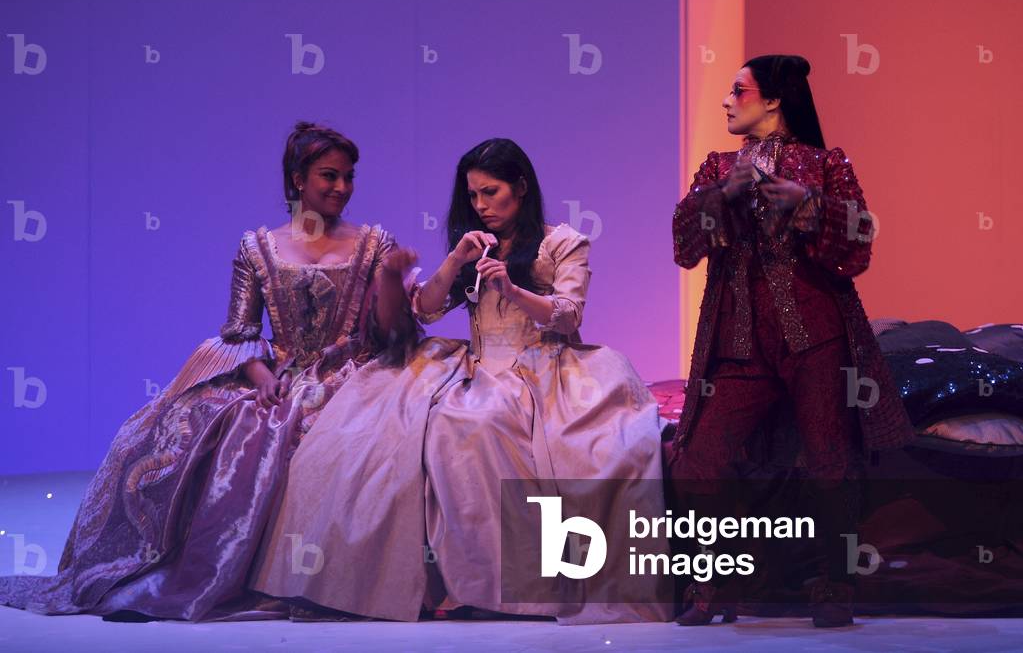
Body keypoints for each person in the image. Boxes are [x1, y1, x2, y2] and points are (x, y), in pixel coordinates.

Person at [0, 121, 418, 621]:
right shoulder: (258, 247)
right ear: (296, 179)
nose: (342, 188)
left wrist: (392, 276)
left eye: (349, 177)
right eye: (329, 176)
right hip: (279, 371)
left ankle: (323, 579)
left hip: (353, 371)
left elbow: (393, 333)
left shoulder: (374, 243)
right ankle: (182, 569)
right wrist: (263, 377)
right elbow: (240, 330)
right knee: (173, 433)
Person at [251, 138, 672, 624]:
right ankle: (463, 586)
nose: (481, 206)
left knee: (543, 437)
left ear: (521, 186)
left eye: (490, 192)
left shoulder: (563, 242)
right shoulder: (477, 245)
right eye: (472, 196)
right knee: (415, 426)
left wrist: (512, 290)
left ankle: (528, 588)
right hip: (480, 365)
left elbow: (567, 314)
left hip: (547, 365)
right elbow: (424, 310)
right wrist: (454, 261)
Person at [669, 55, 914, 627]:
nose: (727, 101)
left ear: (774, 99)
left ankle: (834, 584)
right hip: (738, 340)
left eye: (739, 91)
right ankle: (716, 584)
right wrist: (719, 196)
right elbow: (684, 246)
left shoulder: (824, 163)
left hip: (813, 335)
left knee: (830, 461)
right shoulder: (717, 166)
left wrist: (809, 204)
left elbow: (859, 243)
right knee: (697, 458)